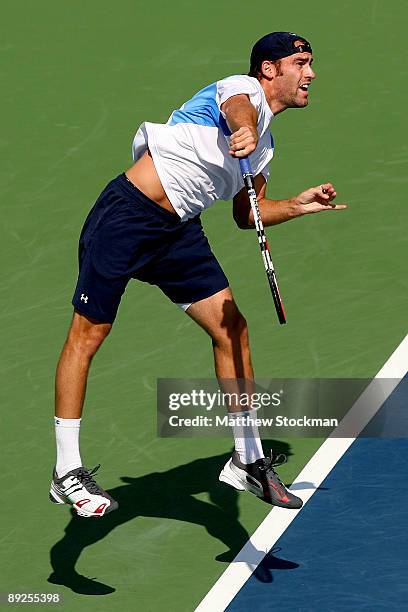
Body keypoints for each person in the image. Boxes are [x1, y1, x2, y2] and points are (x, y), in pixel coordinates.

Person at [50, 32, 346, 518]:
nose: (310, 73)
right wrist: (244, 129)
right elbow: (237, 109)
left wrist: (296, 205)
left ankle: (246, 458)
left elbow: (246, 214)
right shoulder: (240, 91)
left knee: (232, 328)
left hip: (177, 231)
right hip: (127, 216)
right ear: (270, 69)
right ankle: (66, 472)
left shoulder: (266, 145)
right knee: (90, 333)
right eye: (302, 63)